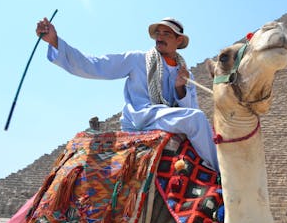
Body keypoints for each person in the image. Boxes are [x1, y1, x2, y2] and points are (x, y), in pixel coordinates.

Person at [35, 16, 219, 171]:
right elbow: (96, 65)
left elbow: (189, 111)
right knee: (197, 119)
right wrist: (55, 41)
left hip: (165, 119)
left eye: (167, 34)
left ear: (179, 41)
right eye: (158, 33)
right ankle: (220, 173)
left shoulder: (186, 74)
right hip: (141, 116)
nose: (160, 37)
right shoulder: (137, 60)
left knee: (200, 121)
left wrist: (180, 88)